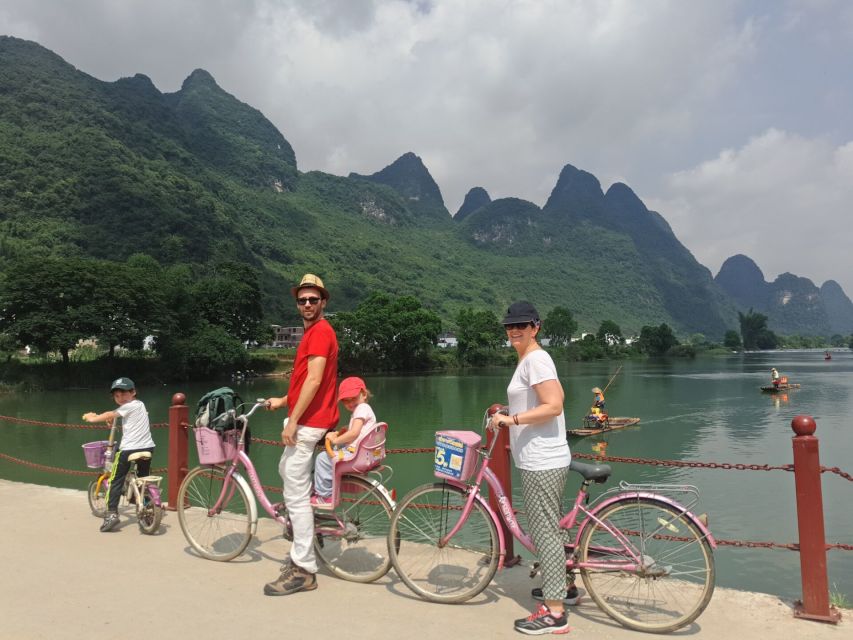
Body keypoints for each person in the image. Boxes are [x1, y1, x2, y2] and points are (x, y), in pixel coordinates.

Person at [489, 301, 573, 635]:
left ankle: (555, 613)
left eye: (522, 325)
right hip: (544, 458)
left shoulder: (536, 358)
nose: (514, 330)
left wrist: (512, 419)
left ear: (536, 327)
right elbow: (551, 396)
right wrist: (511, 409)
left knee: (545, 534)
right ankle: (563, 586)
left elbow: (554, 405)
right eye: (510, 326)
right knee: (553, 528)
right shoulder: (532, 359)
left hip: (542, 461)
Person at [263, 273, 339, 597]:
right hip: (308, 418)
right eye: (302, 300)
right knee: (287, 473)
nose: (307, 304)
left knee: (294, 494)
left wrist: (292, 419)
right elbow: (303, 381)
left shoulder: (320, 332)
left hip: (310, 423)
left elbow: (315, 380)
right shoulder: (312, 333)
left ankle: (304, 568)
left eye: (313, 299)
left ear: (323, 302)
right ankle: (309, 529)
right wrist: (283, 400)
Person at [82, 377, 155, 533]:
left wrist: (93, 418)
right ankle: (147, 508)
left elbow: (111, 413)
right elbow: (122, 418)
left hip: (129, 449)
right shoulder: (140, 405)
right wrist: (111, 418)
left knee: (116, 480)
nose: (120, 398)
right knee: (143, 480)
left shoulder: (128, 406)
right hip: (148, 447)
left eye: (124, 394)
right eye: (117, 396)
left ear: (133, 392)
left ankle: (111, 514)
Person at [311, 376, 376, 506]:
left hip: (357, 456)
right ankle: (323, 487)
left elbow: (354, 433)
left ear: (363, 394)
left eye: (353, 399)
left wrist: (335, 440)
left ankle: (325, 496)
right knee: (333, 454)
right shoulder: (363, 409)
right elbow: (354, 430)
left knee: (322, 459)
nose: (350, 403)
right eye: (346, 401)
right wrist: (343, 432)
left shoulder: (361, 408)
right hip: (365, 455)